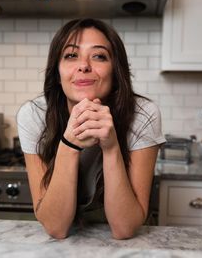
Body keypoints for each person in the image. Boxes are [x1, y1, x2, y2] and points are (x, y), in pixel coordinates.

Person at [16, 18, 166, 240]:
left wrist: (111, 146)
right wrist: (69, 144)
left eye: (98, 56)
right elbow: (56, 228)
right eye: (71, 55)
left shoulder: (143, 114)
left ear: (116, 72)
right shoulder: (34, 115)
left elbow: (124, 229)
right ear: (57, 73)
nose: (84, 65)